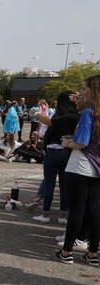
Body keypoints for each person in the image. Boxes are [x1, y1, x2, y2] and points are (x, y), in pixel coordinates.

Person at [55, 74, 100, 265]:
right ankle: (93, 253)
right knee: (96, 211)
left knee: (77, 211)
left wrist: (67, 142)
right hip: (98, 169)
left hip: (81, 167)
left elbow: (81, 143)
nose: (81, 92)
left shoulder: (89, 113)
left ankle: (66, 252)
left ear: (94, 91)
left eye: (84, 89)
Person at [31, 92, 79, 223]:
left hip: (53, 152)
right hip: (68, 152)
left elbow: (48, 123)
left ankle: (46, 214)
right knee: (64, 185)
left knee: (49, 183)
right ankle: (62, 215)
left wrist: (36, 114)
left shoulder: (60, 116)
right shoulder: (77, 115)